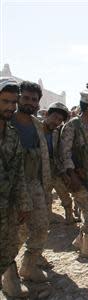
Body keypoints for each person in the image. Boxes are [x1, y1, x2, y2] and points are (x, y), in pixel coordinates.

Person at [11, 81, 51, 283]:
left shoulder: (37, 125)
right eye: (25, 97)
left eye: (33, 99)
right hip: (11, 188)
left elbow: (42, 158)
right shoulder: (7, 123)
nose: (29, 102)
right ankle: (9, 277)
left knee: (41, 227)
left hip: (34, 184)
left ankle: (28, 267)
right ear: (18, 98)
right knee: (14, 233)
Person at [60, 89, 88, 260]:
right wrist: (72, 175)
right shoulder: (72, 126)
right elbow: (64, 153)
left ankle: (81, 240)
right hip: (78, 176)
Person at [0, 77, 31, 298]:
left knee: (7, 249)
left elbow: (19, 172)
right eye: (4, 101)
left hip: (7, 207)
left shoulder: (11, 134)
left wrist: (23, 203)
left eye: (13, 102)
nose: (10, 107)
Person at [42, 102, 76, 224]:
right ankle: (47, 219)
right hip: (40, 172)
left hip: (55, 170)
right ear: (47, 114)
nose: (56, 122)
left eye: (60, 120)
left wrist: (63, 172)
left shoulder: (57, 133)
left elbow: (59, 153)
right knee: (45, 198)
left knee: (65, 196)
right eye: (55, 117)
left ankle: (69, 218)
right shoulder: (36, 130)